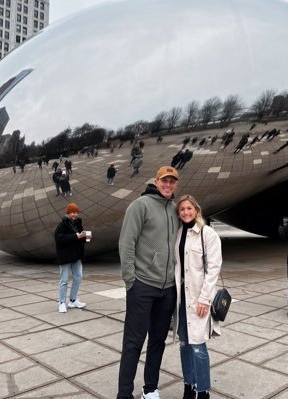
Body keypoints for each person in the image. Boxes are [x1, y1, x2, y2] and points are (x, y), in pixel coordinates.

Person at [117, 166, 180, 399]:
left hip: (168, 289)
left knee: (158, 342)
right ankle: (124, 394)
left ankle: (150, 389)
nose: (168, 185)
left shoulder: (174, 209)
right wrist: (130, 281)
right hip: (142, 286)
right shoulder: (139, 206)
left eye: (172, 182)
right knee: (133, 343)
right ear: (156, 181)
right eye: (165, 181)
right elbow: (126, 244)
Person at [174, 195, 222, 399]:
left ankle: (203, 391)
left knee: (198, 347)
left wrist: (205, 299)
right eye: (182, 209)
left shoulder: (207, 233)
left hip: (198, 298)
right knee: (184, 344)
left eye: (189, 209)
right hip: (181, 299)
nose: (185, 212)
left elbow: (214, 268)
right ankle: (188, 385)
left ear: (196, 210)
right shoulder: (177, 234)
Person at [54, 203, 87, 313]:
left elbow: (79, 238)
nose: (74, 215)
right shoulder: (62, 225)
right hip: (65, 256)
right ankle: (62, 302)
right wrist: (76, 236)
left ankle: (73, 300)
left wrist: (85, 237)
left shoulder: (78, 224)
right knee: (64, 280)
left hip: (76, 256)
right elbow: (59, 239)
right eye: (72, 212)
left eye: (76, 212)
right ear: (68, 213)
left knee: (78, 277)